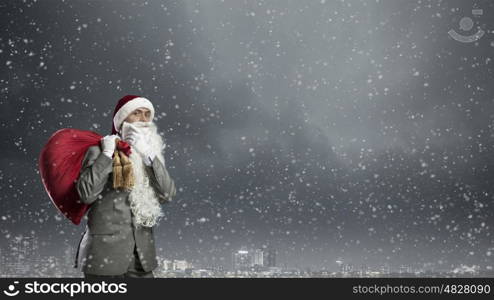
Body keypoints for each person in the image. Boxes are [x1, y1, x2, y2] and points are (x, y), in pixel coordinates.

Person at [74, 95, 176, 278]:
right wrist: (106, 154)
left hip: (142, 260)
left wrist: (148, 155)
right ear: (122, 120)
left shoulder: (151, 156)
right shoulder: (98, 151)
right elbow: (86, 194)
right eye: (136, 113)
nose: (143, 120)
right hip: (104, 257)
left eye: (147, 114)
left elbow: (167, 193)